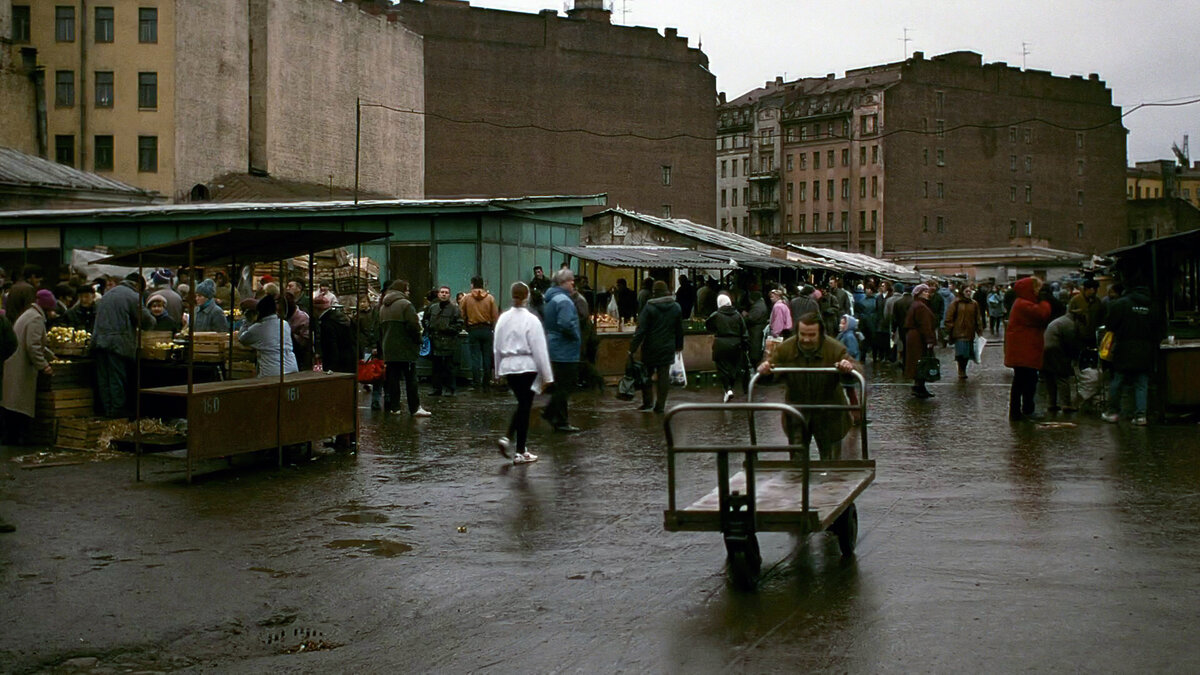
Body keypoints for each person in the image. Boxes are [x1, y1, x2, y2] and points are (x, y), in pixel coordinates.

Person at [757, 312, 859, 460]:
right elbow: (770, 368)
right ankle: (798, 479)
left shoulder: (834, 348)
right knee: (797, 461)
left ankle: (830, 479)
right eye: (802, 334)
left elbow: (856, 370)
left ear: (821, 333)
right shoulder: (786, 349)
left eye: (812, 335)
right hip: (797, 410)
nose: (806, 339)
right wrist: (765, 371)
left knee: (831, 462)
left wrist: (848, 367)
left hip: (829, 411)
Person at [494, 282, 555, 464]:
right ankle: (517, 448)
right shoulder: (531, 320)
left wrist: (498, 371)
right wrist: (547, 375)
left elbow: (496, 346)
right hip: (527, 365)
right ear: (527, 297)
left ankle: (515, 444)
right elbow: (539, 349)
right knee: (525, 406)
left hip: (508, 366)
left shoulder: (503, 319)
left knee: (523, 404)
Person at [2, 290, 56, 444]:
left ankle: (12, 438)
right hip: (22, 368)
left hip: (14, 365)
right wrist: (44, 366)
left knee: (12, 403)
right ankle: (16, 440)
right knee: (19, 405)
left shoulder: (28, 314)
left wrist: (51, 355)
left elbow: (36, 343)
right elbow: (33, 346)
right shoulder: (36, 319)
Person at [1101, 284, 1158, 425]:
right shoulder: (1152, 305)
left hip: (1124, 347)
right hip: (1145, 349)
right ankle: (1140, 416)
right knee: (1141, 383)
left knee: (1118, 380)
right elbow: (1159, 328)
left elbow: (1110, 325)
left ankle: (1113, 413)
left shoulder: (1121, 303)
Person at [630, 280, 684, 413]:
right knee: (663, 377)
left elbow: (641, 330)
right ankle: (660, 405)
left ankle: (647, 402)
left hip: (650, 347)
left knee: (646, 375)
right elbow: (679, 330)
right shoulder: (676, 307)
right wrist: (679, 346)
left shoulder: (649, 307)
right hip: (667, 347)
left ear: (654, 293)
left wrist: (632, 347)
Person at [1004, 277, 1053, 421]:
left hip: (1022, 350)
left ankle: (1017, 412)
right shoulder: (1024, 305)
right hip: (1025, 350)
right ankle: (1026, 410)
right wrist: (1045, 301)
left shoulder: (1020, 303)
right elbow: (1042, 314)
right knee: (1028, 381)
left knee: (1020, 381)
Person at [378, 280, 430, 418]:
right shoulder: (405, 305)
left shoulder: (383, 306)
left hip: (389, 349)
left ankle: (395, 407)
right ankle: (415, 407)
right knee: (411, 379)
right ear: (402, 290)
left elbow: (379, 330)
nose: (408, 292)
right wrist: (418, 340)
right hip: (405, 348)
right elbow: (413, 326)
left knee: (393, 380)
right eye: (407, 290)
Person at [540, 269, 581, 431]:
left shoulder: (551, 299)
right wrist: (575, 334)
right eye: (571, 281)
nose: (573, 284)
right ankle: (552, 414)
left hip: (553, 345)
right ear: (563, 283)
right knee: (565, 385)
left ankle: (560, 420)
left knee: (560, 385)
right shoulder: (564, 301)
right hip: (565, 349)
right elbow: (565, 323)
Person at [237, 295, 299, 378]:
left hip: (272, 370)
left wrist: (247, 321)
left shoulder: (258, 328)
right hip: (292, 366)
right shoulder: (284, 324)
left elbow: (242, 339)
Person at [460, 276, 500, 390]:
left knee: (475, 358)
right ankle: (486, 383)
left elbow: (461, 314)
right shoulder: (490, 298)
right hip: (487, 330)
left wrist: (466, 325)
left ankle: (476, 383)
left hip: (473, 329)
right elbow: (495, 316)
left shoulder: (466, 298)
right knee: (487, 357)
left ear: (472, 284)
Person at [707, 293, 748, 403]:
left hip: (721, 343)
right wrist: (744, 344)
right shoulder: (737, 315)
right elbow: (744, 331)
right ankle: (730, 386)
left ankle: (727, 388)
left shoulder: (716, 315)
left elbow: (708, 325)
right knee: (734, 367)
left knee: (722, 367)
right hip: (736, 343)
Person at [423, 286, 463, 396]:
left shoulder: (454, 309)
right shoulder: (432, 308)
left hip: (449, 342)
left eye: (446, 292)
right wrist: (429, 328)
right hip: (435, 341)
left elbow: (459, 325)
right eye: (442, 292)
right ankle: (436, 388)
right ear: (439, 294)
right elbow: (425, 320)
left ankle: (450, 389)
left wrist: (448, 329)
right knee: (436, 367)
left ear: (449, 295)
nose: (444, 294)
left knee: (449, 367)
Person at [1042, 309, 1085, 413]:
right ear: (1078, 320)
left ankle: (1051, 403)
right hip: (1056, 349)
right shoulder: (1069, 324)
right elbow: (1070, 343)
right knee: (1062, 376)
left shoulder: (1061, 321)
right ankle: (1066, 404)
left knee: (1050, 377)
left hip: (1044, 348)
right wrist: (1074, 357)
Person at [903, 284, 939, 398]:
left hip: (915, 337)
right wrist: (930, 340)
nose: (927, 294)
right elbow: (925, 325)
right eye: (925, 292)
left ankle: (920, 387)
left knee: (918, 362)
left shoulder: (918, 305)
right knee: (921, 361)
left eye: (928, 292)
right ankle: (919, 387)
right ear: (919, 293)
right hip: (919, 338)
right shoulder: (921, 306)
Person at [945, 287, 983, 379]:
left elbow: (977, 317)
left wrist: (979, 330)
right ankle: (961, 370)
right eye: (966, 291)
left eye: (970, 291)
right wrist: (949, 329)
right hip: (959, 332)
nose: (968, 293)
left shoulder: (974, 303)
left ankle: (963, 369)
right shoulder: (956, 303)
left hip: (970, 332)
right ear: (962, 292)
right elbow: (949, 317)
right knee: (960, 353)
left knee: (967, 354)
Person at [1067, 279, 1102, 347]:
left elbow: (1100, 316)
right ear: (1086, 289)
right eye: (1094, 289)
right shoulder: (1075, 300)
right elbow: (1068, 316)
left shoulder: (1097, 301)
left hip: (1093, 335)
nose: (1095, 292)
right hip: (1079, 336)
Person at [743, 290, 769, 374]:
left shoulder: (758, 307)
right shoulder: (760, 304)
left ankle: (756, 371)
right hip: (756, 330)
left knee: (755, 351)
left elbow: (751, 318)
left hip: (756, 331)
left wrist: (745, 316)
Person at [284, 292, 312, 372]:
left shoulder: (303, 318)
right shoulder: (283, 316)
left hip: (301, 357)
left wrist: (290, 334)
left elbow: (305, 342)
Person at [890, 283, 914, 364]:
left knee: (904, 345)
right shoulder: (914, 302)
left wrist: (893, 330)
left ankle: (904, 364)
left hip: (901, 328)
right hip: (913, 329)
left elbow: (894, 319)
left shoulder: (898, 302)